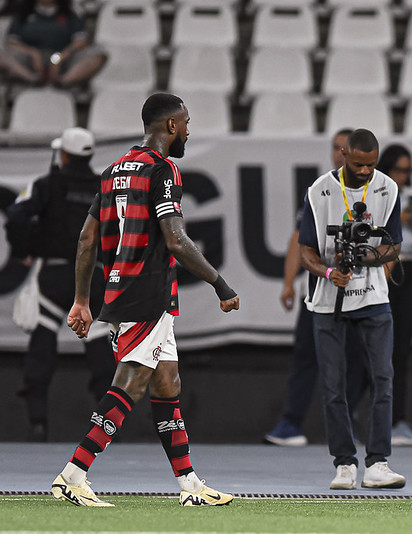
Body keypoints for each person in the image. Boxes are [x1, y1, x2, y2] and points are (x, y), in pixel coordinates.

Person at [50, 93, 240, 508]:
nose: (188, 129)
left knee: (167, 381)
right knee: (132, 381)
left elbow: (87, 238)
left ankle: (190, 485)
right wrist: (220, 284)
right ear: (171, 126)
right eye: (186, 122)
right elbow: (175, 239)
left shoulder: (114, 169)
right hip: (146, 291)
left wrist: (82, 300)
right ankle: (73, 473)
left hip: (122, 288)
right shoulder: (163, 169)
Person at [299, 128, 405, 490]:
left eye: (371, 165)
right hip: (327, 301)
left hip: (374, 298)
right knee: (333, 385)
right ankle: (344, 463)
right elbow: (306, 253)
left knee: (383, 379)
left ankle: (377, 463)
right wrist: (330, 271)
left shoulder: (388, 188)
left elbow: (395, 246)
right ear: (343, 154)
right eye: (359, 164)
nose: (365, 171)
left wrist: (369, 257)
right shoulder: (319, 191)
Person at [4, 127, 115, 443]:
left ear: (63, 154)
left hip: (53, 275)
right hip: (92, 279)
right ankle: (109, 428)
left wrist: (25, 249)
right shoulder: (103, 189)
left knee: (42, 345)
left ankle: (38, 422)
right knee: (100, 353)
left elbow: (15, 217)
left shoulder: (46, 185)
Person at [264, 128, 370, 447]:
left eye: (345, 149)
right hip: (320, 285)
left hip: (358, 287)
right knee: (306, 354)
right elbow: (299, 239)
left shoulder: (374, 190)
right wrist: (287, 283)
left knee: (357, 357)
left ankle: (345, 422)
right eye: (336, 149)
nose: (340, 154)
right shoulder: (318, 191)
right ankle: (290, 422)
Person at [376, 144, 412, 447]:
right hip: (382, 270)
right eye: (398, 169)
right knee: (377, 348)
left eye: (407, 170)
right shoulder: (378, 195)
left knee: (401, 351)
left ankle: (396, 420)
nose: (403, 176)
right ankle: (374, 418)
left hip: (408, 271)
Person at [4, 0, 107, 86]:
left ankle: (63, 81)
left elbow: (80, 41)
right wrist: (32, 52)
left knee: (97, 54)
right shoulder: (23, 14)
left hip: (63, 58)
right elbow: (12, 42)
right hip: (30, 60)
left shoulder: (69, 14)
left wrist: (60, 57)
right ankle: (33, 79)